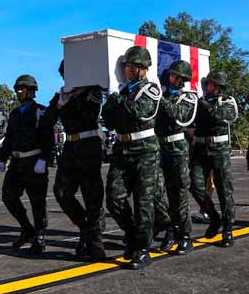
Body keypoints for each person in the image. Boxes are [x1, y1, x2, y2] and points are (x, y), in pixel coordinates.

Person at [102, 46, 163, 270]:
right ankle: (134, 235)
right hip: (122, 148)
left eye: (132, 66)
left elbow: (140, 111)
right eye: (126, 66)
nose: (128, 70)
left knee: (143, 202)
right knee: (114, 198)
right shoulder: (122, 92)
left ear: (142, 68)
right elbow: (107, 120)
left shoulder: (151, 90)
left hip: (145, 150)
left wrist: (119, 100)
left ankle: (142, 249)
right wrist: (114, 99)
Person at [43, 61, 107, 261]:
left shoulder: (92, 91)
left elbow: (89, 114)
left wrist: (71, 100)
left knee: (92, 196)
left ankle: (95, 243)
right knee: (61, 192)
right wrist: (60, 103)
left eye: (70, 74)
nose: (66, 78)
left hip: (88, 145)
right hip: (70, 147)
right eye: (64, 75)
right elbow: (47, 121)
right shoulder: (60, 95)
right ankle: (87, 230)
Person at [0, 74, 52, 254]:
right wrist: (2, 159)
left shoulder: (40, 111)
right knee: (9, 197)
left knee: (38, 202)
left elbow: (47, 138)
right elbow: (9, 138)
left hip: (34, 161)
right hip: (16, 163)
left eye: (22, 89)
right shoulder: (14, 113)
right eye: (17, 89)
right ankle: (27, 228)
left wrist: (44, 159)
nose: (18, 92)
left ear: (31, 91)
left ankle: (40, 236)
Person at [189, 70, 238, 247]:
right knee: (194, 185)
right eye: (209, 83)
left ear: (221, 87)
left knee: (225, 190)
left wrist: (205, 105)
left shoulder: (226, 101)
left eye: (215, 85)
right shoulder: (200, 102)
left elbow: (222, 117)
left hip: (219, 149)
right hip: (200, 148)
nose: (211, 87)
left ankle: (228, 229)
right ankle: (214, 217)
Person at [154, 61, 198, 255]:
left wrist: (159, 97)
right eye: (172, 75)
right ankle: (169, 228)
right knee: (157, 192)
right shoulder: (161, 95)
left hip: (178, 148)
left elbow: (176, 115)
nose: (172, 78)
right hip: (159, 146)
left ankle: (185, 236)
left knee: (179, 194)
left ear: (183, 79)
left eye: (176, 76)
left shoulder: (188, 97)